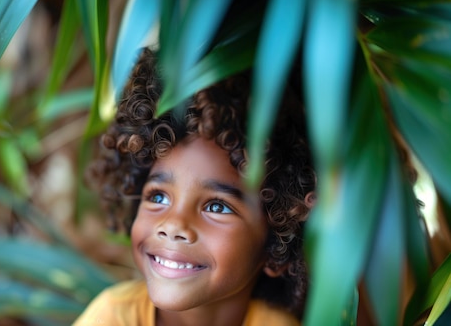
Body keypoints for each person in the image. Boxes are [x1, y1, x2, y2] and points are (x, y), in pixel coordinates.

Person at [74, 48, 316, 326]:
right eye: (159, 197)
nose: (173, 225)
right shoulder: (111, 318)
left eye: (217, 206)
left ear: (277, 248)